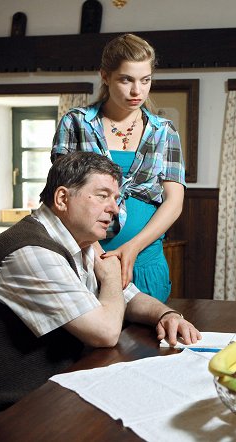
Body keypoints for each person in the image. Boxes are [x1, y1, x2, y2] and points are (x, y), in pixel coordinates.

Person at [0, 152, 201, 438]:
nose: (115, 209)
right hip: (2, 413)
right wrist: (109, 278)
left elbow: (129, 297)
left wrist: (165, 314)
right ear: (62, 199)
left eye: (115, 198)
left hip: (56, 389)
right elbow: (105, 332)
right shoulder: (30, 251)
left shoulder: (78, 241)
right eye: (102, 195)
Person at [52, 33, 184, 302]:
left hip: (145, 259)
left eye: (145, 80)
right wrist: (98, 255)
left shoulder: (164, 131)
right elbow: (61, 197)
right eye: (126, 79)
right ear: (105, 76)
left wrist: (133, 247)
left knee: (151, 341)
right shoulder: (75, 123)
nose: (137, 91)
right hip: (87, 260)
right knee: (94, 342)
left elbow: (175, 200)